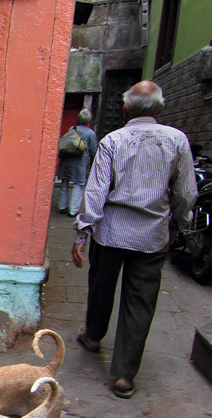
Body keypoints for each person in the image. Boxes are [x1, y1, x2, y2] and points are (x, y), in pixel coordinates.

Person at [71, 80, 197, 399]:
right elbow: (185, 192)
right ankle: (124, 375)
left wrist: (83, 230)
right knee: (140, 302)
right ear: (160, 108)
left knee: (101, 286)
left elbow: (96, 190)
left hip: (111, 231)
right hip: (152, 235)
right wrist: (181, 225)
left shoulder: (114, 140)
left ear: (126, 110)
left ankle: (94, 336)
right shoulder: (176, 141)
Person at [57, 108, 98, 216]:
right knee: (78, 185)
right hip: (80, 162)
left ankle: (62, 206)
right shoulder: (90, 133)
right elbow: (93, 150)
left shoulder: (72, 129)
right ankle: (73, 210)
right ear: (89, 121)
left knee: (64, 183)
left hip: (67, 159)